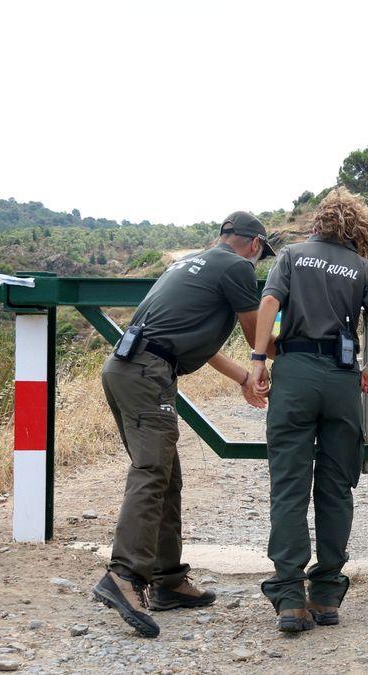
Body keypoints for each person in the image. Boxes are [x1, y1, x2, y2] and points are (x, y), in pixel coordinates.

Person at [91, 212, 275, 638]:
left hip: (129, 367)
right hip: (147, 371)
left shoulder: (193, 262)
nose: (259, 259)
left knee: (165, 475)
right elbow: (257, 338)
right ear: (254, 244)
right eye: (261, 252)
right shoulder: (238, 268)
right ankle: (124, 576)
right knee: (152, 470)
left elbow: (202, 345)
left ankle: (168, 581)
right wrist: (289, 359)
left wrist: (245, 379)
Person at [249, 188, 368, 633]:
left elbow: (270, 303)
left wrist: (259, 360)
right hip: (340, 379)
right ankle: (328, 594)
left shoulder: (293, 256)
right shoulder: (364, 268)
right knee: (335, 486)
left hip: (294, 373)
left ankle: (291, 597)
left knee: (290, 483)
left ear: (320, 222)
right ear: (360, 230)